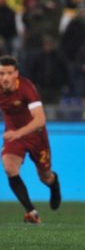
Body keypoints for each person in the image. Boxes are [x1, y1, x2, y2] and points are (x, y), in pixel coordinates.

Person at [0, 55, 61, 224]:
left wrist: (19, 133)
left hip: (36, 136)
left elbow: (40, 119)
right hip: (14, 134)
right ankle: (31, 211)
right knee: (9, 167)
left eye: (9, 73)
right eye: (1, 73)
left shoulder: (26, 88)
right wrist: (16, 134)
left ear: (16, 74)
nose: (4, 78)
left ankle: (54, 184)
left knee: (44, 177)